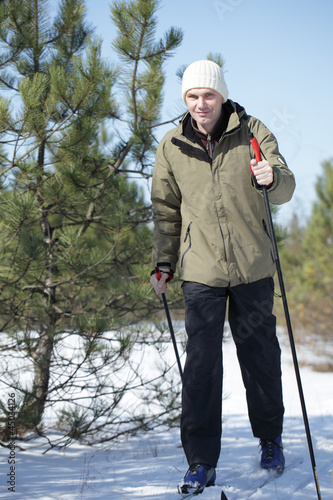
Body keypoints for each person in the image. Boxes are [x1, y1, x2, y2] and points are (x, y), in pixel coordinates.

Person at [149, 59, 295, 496]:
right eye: (192, 97)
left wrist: (273, 178)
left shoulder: (252, 130)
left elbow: (285, 184)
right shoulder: (171, 145)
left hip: (252, 265)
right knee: (201, 368)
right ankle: (200, 462)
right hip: (201, 272)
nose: (200, 104)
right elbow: (165, 212)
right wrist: (164, 263)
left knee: (260, 358)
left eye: (207, 95)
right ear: (185, 100)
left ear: (221, 96)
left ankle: (270, 439)